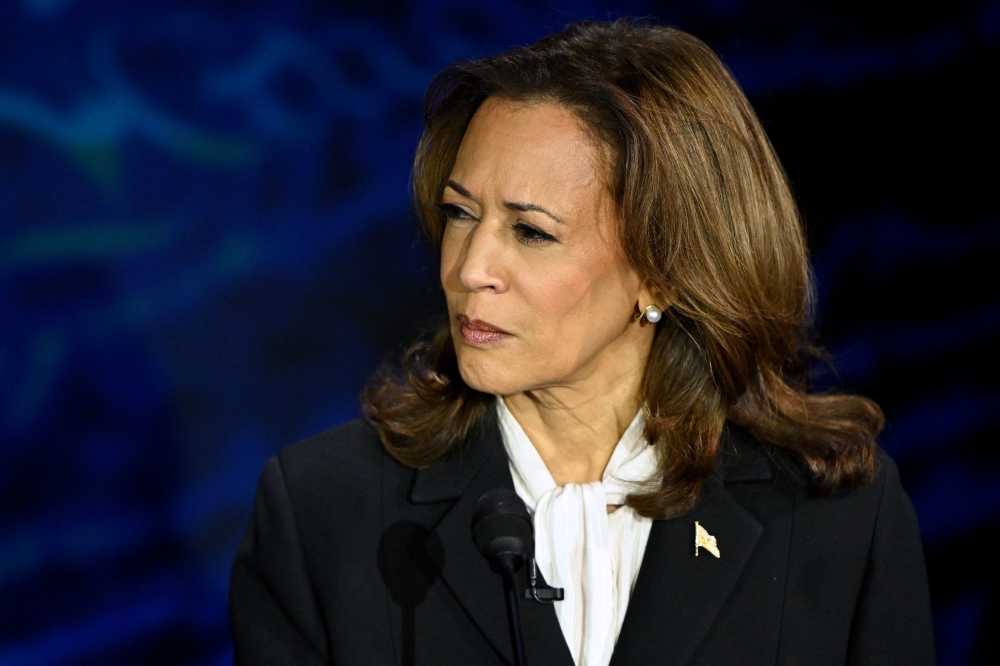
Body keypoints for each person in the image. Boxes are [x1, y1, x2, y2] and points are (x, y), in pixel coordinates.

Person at [229, 19, 935, 666]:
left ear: (664, 272)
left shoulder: (835, 517)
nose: (469, 269)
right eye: (458, 214)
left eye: (531, 232)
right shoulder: (323, 513)